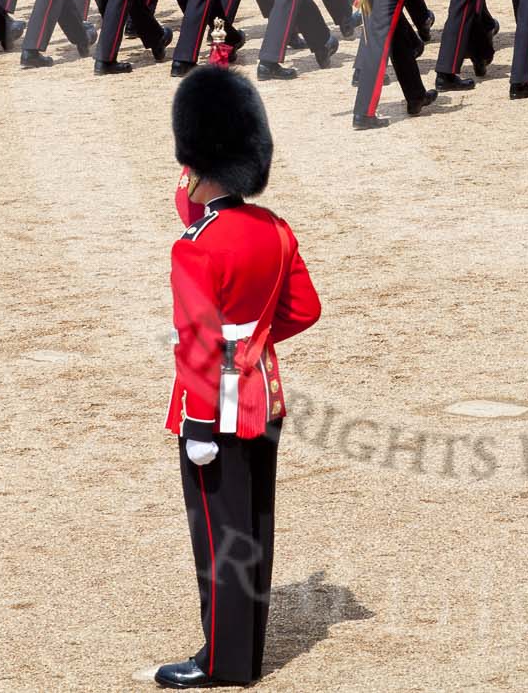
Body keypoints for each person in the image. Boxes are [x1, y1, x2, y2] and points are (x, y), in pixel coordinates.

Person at [153, 65, 321, 691]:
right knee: (252, 527)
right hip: (264, 397)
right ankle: (246, 653)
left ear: (198, 167)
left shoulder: (196, 246)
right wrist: (252, 341)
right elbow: (304, 309)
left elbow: (197, 342)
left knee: (219, 538)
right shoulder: (274, 228)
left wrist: (198, 419)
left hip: (215, 408)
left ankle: (223, 663)